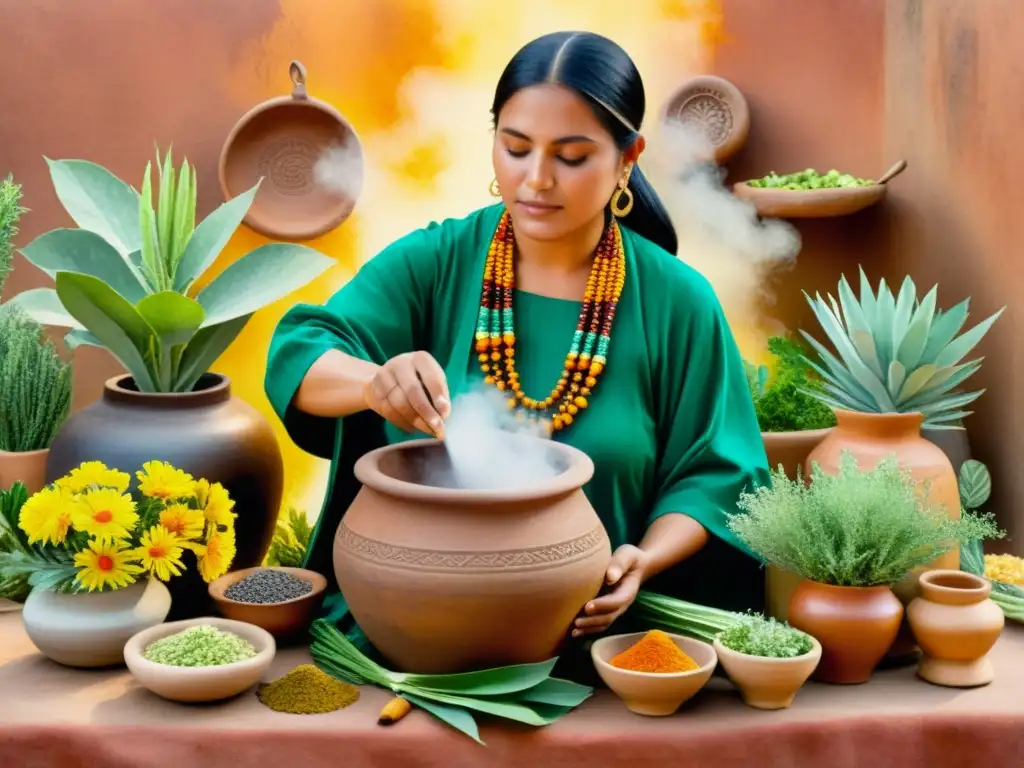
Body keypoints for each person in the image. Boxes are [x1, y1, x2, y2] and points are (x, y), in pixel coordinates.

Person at [265, 31, 770, 654]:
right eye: (516, 147)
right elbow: (300, 348)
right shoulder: (438, 261)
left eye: (571, 156)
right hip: (415, 633)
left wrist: (644, 559)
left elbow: (718, 472)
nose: (536, 179)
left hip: (600, 645)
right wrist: (373, 383)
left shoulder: (677, 301)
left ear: (627, 159)